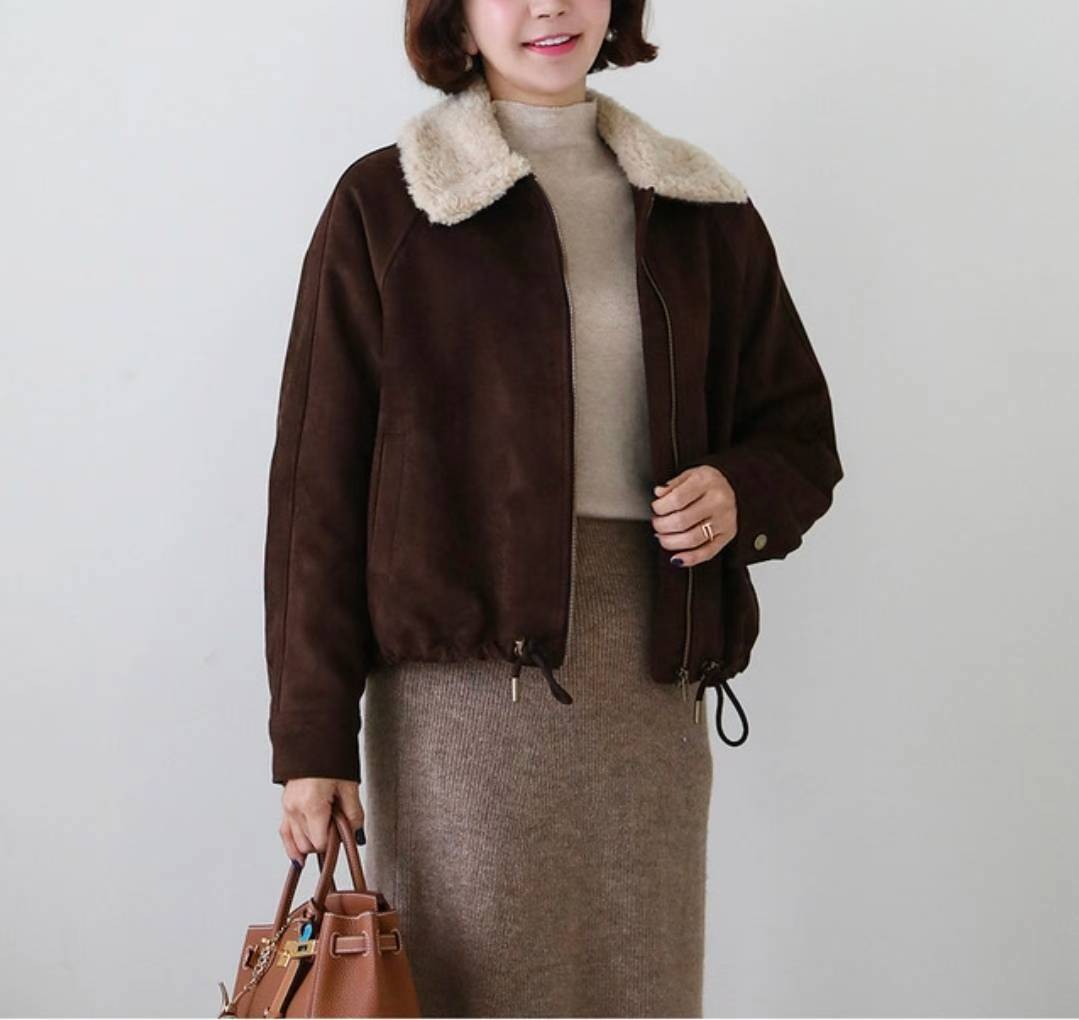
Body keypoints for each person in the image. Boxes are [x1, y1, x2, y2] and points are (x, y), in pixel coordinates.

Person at [262, 0, 844, 1015]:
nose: (548, 5)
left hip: (647, 681)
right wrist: (311, 743)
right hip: (458, 697)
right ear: (456, 16)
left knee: (639, 987)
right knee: (471, 991)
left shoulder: (698, 206)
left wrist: (736, 491)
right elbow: (318, 490)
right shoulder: (390, 204)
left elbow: (799, 437)